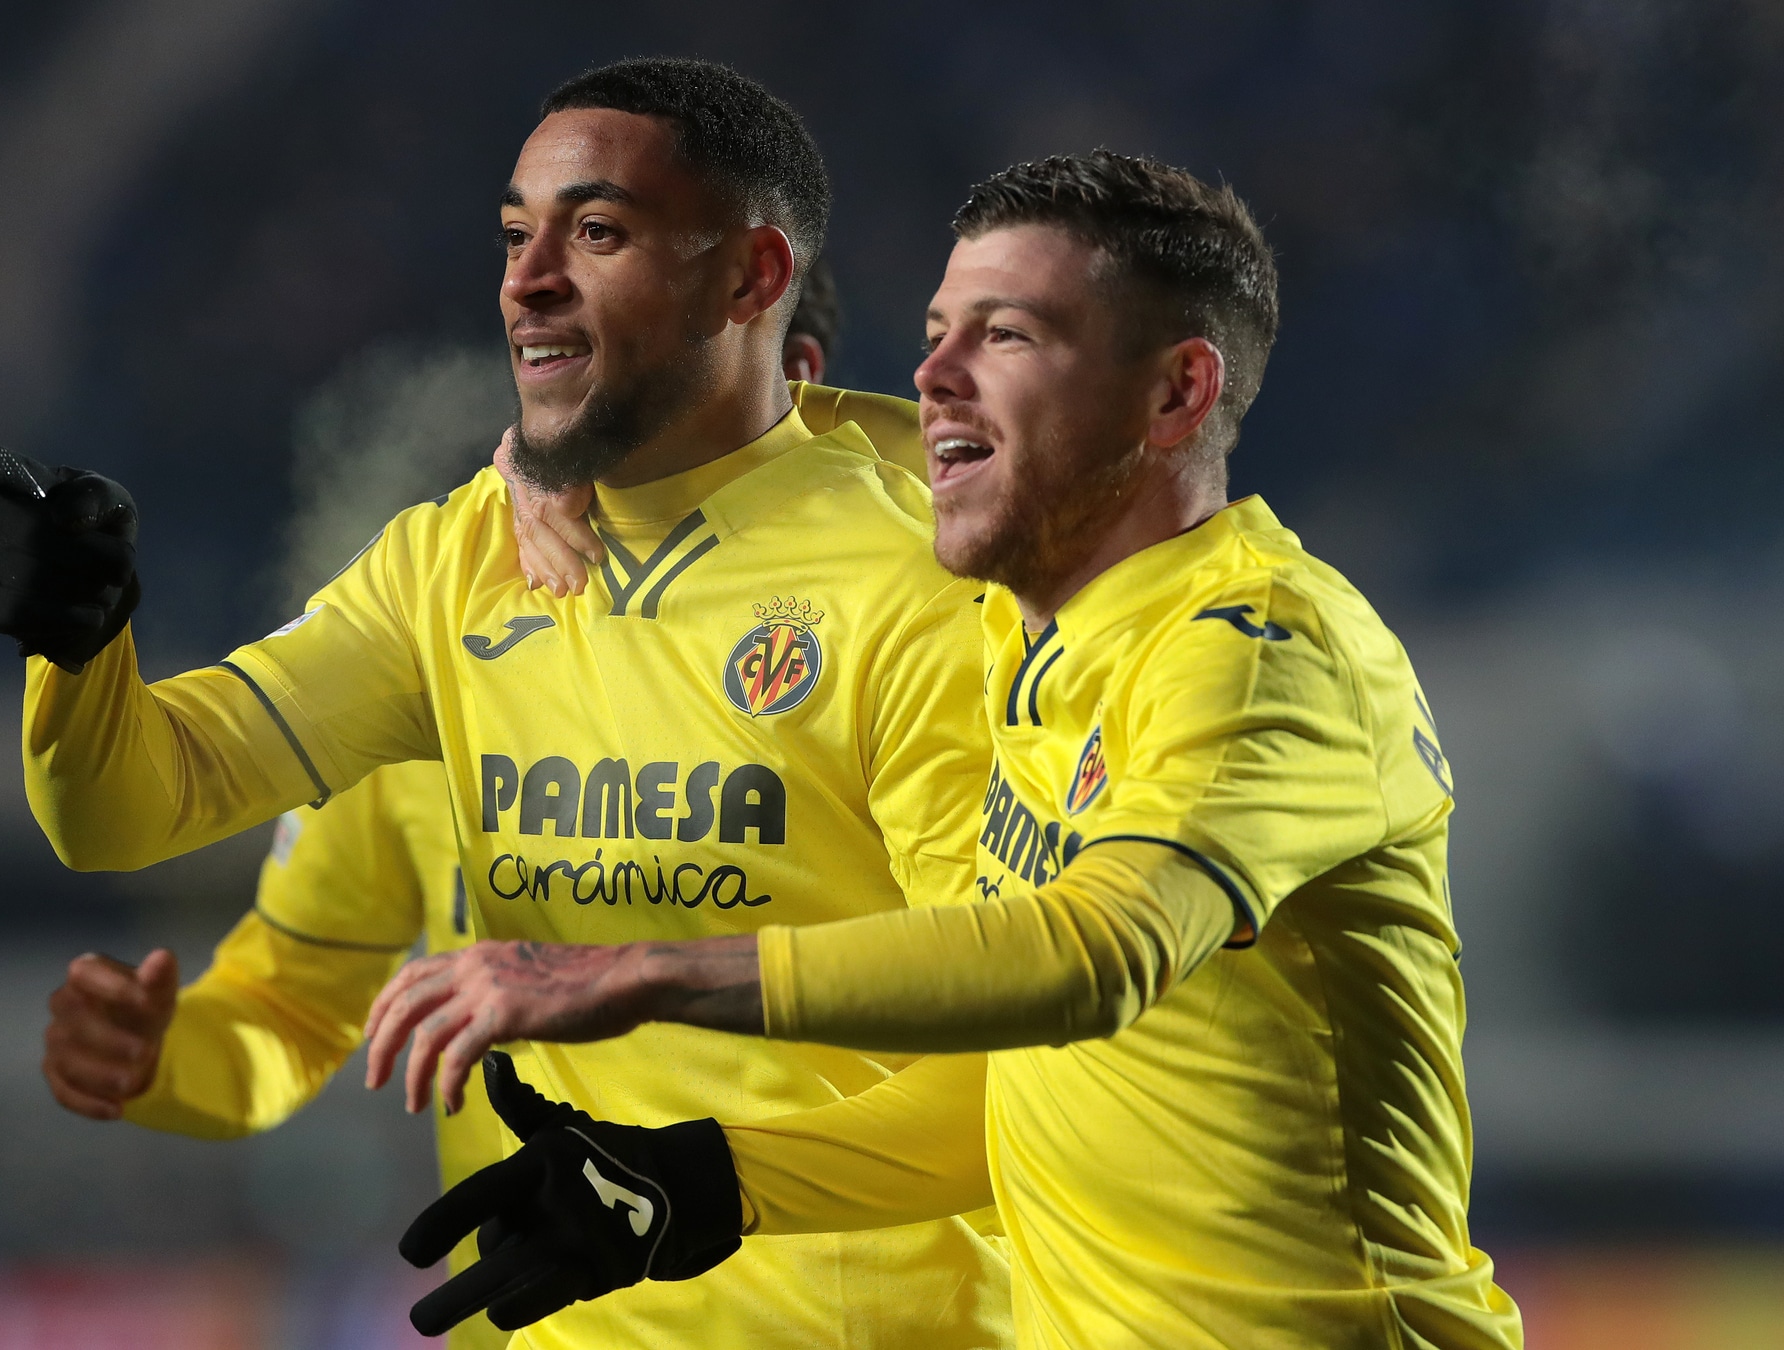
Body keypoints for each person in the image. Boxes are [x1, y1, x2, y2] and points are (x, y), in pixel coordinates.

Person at [364, 151, 1527, 1348]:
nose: (931, 374)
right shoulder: (1027, 629)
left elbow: (1094, 955)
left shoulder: (1260, 651)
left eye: (1006, 334)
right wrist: (706, 1181)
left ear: (1176, 393)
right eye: (934, 334)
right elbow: (1014, 1094)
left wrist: (637, 971)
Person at [0, 58, 1009, 1349]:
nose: (526, 277)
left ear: (751, 281)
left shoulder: (931, 590)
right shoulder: (448, 571)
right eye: (513, 235)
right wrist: (77, 647)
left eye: (595, 231)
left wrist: (700, 1181)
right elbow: (129, 817)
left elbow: (1033, 1062)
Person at [35, 262, 863, 1350]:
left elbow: (1018, 1013)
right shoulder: (426, 694)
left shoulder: (916, 646)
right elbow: (288, 1011)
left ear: (801, 391)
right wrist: (163, 1061)